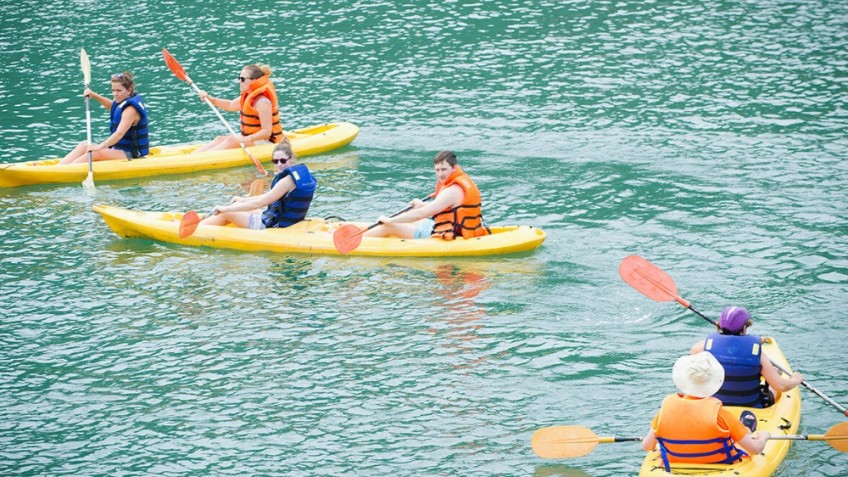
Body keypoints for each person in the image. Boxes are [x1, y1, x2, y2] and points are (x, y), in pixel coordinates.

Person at [641, 352, 771, 472]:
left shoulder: (665, 410)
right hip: (721, 465)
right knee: (738, 438)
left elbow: (647, 446)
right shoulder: (721, 414)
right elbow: (755, 449)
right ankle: (746, 431)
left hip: (674, 465)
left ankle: (745, 431)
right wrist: (764, 436)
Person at [690, 306, 804, 407]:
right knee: (772, 385)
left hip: (715, 405)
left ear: (719, 325)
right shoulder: (757, 353)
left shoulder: (703, 349)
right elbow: (781, 386)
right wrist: (795, 380)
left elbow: (695, 349)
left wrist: (720, 337)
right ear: (744, 328)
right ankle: (775, 373)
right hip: (751, 405)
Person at [364, 150, 490, 240]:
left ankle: (357, 243)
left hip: (449, 234)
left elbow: (421, 214)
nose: (440, 174)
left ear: (454, 168)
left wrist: (390, 220)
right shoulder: (461, 181)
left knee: (389, 227)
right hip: (452, 226)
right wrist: (422, 205)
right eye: (437, 170)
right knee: (405, 215)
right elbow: (445, 209)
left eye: (444, 169)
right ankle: (364, 235)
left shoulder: (452, 190)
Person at [200, 141, 315, 229]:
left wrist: (225, 209)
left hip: (273, 225)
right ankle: (206, 222)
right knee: (238, 204)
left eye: (283, 161)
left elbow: (259, 203)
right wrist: (243, 200)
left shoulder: (286, 182)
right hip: (281, 220)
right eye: (275, 161)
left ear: (290, 159)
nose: (279, 164)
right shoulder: (296, 177)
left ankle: (198, 230)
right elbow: (269, 196)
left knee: (226, 214)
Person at [59, 71, 149, 164]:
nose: (115, 94)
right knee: (84, 145)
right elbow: (112, 106)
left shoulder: (130, 110)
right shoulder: (122, 100)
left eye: (118, 91)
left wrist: (100, 147)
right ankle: (60, 168)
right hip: (118, 148)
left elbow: (119, 133)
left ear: (129, 91)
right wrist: (94, 95)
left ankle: (69, 170)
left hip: (131, 153)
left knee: (95, 153)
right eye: (113, 90)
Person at [193, 63, 284, 152]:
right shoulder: (249, 96)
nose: (239, 82)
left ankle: (201, 158)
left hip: (269, 143)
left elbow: (266, 132)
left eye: (243, 79)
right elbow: (230, 105)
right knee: (219, 139)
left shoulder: (263, 102)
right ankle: (193, 156)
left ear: (254, 80)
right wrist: (211, 99)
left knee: (231, 141)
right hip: (254, 139)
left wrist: (248, 138)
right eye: (239, 78)